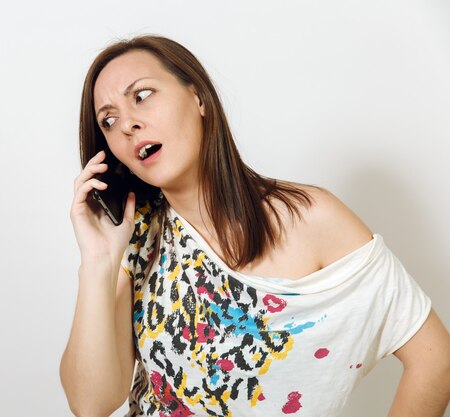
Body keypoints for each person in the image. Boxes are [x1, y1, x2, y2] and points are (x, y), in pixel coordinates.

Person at [59, 34, 450, 417]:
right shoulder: (137, 236)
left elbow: (435, 360)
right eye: (108, 121)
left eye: (142, 96)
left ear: (198, 98)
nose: (126, 125)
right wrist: (97, 261)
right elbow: (90, 405)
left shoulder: (311, 217)